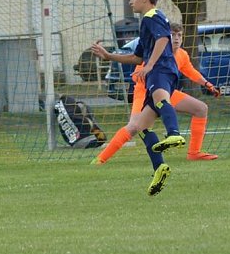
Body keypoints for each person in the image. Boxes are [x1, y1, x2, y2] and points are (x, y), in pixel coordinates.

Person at [90, 22, 222, 164]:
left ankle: (194, 153)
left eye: (179, 35)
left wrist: (208, 84)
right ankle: (101, 159)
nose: (176, 38)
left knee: (201, 108)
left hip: (167, 92)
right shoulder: (156, 52)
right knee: (134, 126)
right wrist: (139, 74)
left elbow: (190, 71)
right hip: (145, 91)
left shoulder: (182, 55)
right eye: (172, 35)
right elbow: (137, 73)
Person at [116, 0, 186, 195]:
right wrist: (109, 56)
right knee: (141, 127)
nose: (130, 1)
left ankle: (174, 133)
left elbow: (163, 39)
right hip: (161, 69)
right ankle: (159, 168)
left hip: (161, 69)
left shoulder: (152, 16)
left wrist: (151, 66)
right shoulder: (148, 21)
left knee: (160, 98)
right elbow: (138, 57)